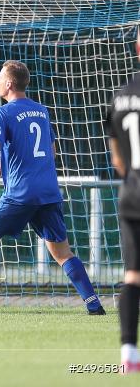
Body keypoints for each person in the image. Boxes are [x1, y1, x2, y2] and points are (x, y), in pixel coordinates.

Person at [0, 60, 104, 316]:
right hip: (47, 192)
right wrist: (10, 163)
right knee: (62, 253)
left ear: (10, 84)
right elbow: (50, 151)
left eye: (0, 78)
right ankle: (94, 305)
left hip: (21, 194)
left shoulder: (4, 112)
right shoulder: (41, 111)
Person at [105, 34, 140, 373]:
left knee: (132, 274)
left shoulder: (120, 96)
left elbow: (118, 162)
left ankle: (129, 352)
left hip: (131, 192)